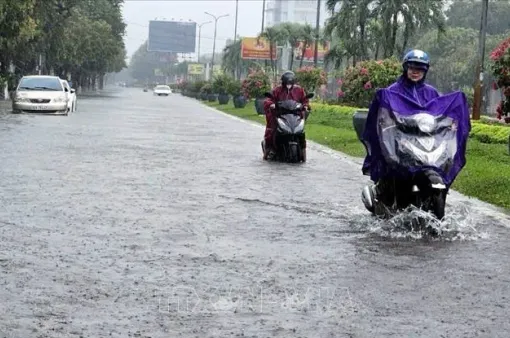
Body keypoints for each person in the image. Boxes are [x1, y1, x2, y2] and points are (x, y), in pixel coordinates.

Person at [361, 49, 441, 212]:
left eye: (420, 68)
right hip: (399, 143)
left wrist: (449, 123)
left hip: (424, 143)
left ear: (425, 71)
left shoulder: (431, 93)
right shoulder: (392, 91)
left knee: (436, 172)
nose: (415, 72)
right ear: (406, 68)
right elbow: (382, 115)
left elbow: (440, 112)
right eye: (412, 68)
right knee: (393, 170)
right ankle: (383, 194)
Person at [262, 71, 310, 160]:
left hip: (295, 115)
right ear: (283, 83)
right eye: (287, 83)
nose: (288, 85)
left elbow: (304, 100)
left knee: (301, 131)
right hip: (281, 115)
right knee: (271, 130)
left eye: (290, 83)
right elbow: (269, 99)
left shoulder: (299, 90)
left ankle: (302, 149)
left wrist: (306, 106)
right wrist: (271, 104)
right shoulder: (277, 90)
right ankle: (268, 151)